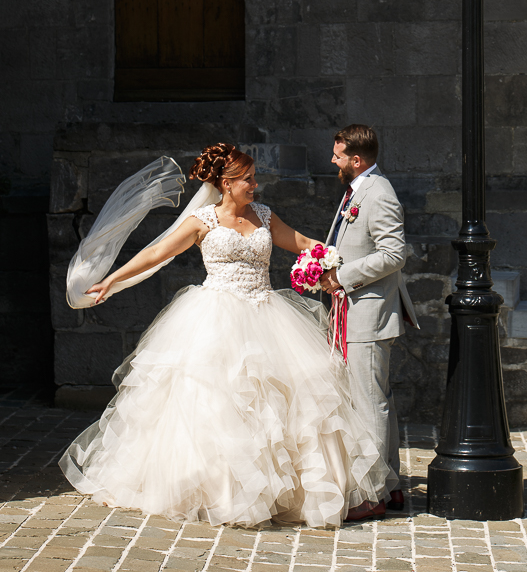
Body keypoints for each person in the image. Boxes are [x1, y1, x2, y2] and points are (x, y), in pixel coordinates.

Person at [59, 142, 394, 529]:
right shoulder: (202, 221)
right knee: (215, 404)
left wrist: (331, 261)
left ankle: (287, 493)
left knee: (284, 407)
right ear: (227, 183)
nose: (256, 184)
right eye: (248, 179)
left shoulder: (265, 216)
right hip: (215, 316)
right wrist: (111, 280)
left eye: (254, 178)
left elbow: (302, 244)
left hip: (267, 315)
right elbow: (156, 254)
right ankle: (220, 493)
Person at [320, 125, 419, 521]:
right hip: (356, 312)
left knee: (369, 404)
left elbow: (395, 253)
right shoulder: (359, 189)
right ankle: (391, 484)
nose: (333, 160)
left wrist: (342, 276)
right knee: (377, 400)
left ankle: (373, 493)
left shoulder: (378, 193)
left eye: (338, 155)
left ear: (356, 160)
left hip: (369, 314)